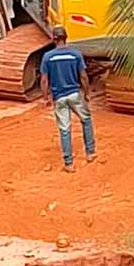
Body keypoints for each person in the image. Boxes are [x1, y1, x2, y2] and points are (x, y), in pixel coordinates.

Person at [38, 26, 97, 172]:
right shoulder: (75, 54)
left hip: (59, 98)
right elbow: (83, 76)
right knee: (86, 119)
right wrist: (86, 92)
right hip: (75, 95)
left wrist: (45, 97)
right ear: (66, 38)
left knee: (65, 129)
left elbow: (44, 80)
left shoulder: (48, 57)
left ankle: (69, 163)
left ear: (54, 39)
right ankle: (90, 153)